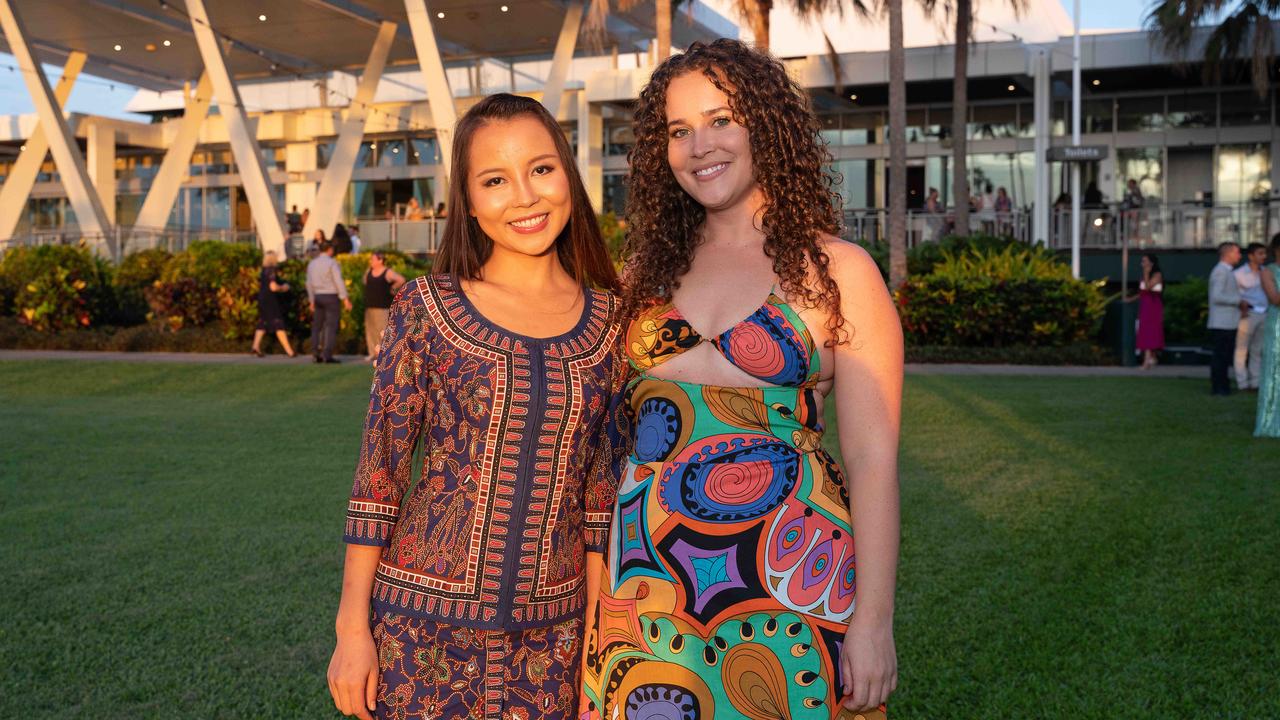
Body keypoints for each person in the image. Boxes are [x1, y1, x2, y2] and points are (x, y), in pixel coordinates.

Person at [583, 39, 901, 719]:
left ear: (766, 125)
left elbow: (873, 462)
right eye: (678, 130)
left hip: (793, 588)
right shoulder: (640, 274)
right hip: (648, 590)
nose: (700, 145)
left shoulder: (839, 272)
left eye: (721, 120)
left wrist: (873, 623)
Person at [326, 93, 627, 720]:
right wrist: (352, 632)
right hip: (418, 630)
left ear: (568, 174)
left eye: (542, 169)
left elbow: (602, 502)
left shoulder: (611, 323)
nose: (525, 196)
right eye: (495, 179)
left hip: (556, 638)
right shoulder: (425, 308)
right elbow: (379, 476)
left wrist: (601, 648)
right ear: (466, 200)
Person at [1208, 242, 1248, 396]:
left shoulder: (1225, 271)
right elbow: (1217, 296)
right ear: (1228, 254)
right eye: (1237, 252)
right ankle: (1219, 387)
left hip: (1225, 322)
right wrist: (1239, 301)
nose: (1239, 256)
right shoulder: (1221, 272)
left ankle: (1222, 386)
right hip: (1222, 322)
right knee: (1221, 356)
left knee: (1223, 356)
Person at [306, 240, 351, 364]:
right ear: (330, 249)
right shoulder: (332, 263)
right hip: (331, 296)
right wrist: (345, 298)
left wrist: (311, 300)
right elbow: (338, 281)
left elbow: (309, 283)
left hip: (318, 296)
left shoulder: (312, 264)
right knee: (330, 326)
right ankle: (327, 354)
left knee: (317, 326)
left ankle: (315, 353)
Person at [1254, 234, 1280, 437]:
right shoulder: (1268, 272)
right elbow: (1274, 298)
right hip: (1277, 325)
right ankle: (1272, 420)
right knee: (1275, 369)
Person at [1234, 243, 1269, 391]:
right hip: (1247, 314)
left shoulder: (1266, 272)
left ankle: (1255, 382)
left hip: (1265, 313)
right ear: (1251, 256)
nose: (1264, 256)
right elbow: (1233, 294)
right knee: (1242, 349)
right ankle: (1242, 383)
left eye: (1264, 253)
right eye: (1260, 253)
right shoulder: (1239, 273)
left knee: (1258, 349)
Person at [250, 251, 296, 358]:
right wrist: (284, 288)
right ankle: (289, 351)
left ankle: (255, 347)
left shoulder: (263, 271)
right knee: (278, 322)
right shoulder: (271, 271)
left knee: (263, 322)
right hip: (270, 300)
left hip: (262, 298)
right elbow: (273, 287)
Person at [361, 251, 405, 362]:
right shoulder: (369, 271)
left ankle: (383, 354)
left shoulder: (387, 272)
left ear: (380, 260)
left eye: (373, 259)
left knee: (382, 330)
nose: (371, 261)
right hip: (370, 305)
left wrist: (393, 289)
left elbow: (401, 279)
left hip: (382, 307)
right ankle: (372, 353)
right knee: (370, 331)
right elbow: (364, 280)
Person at [1134, 253, 1164, 370]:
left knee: (1150, 332)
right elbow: (1142, 292)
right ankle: (1152, 358)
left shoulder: (1157, 275)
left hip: (1153, 307)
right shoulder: (1144, 276)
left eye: (1144, 261)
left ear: (1151, 263)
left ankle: (1147, 362)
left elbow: (1148, 287)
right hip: (1145, 306)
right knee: (1144, 331)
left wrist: (1146, 273)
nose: (1142, 264)